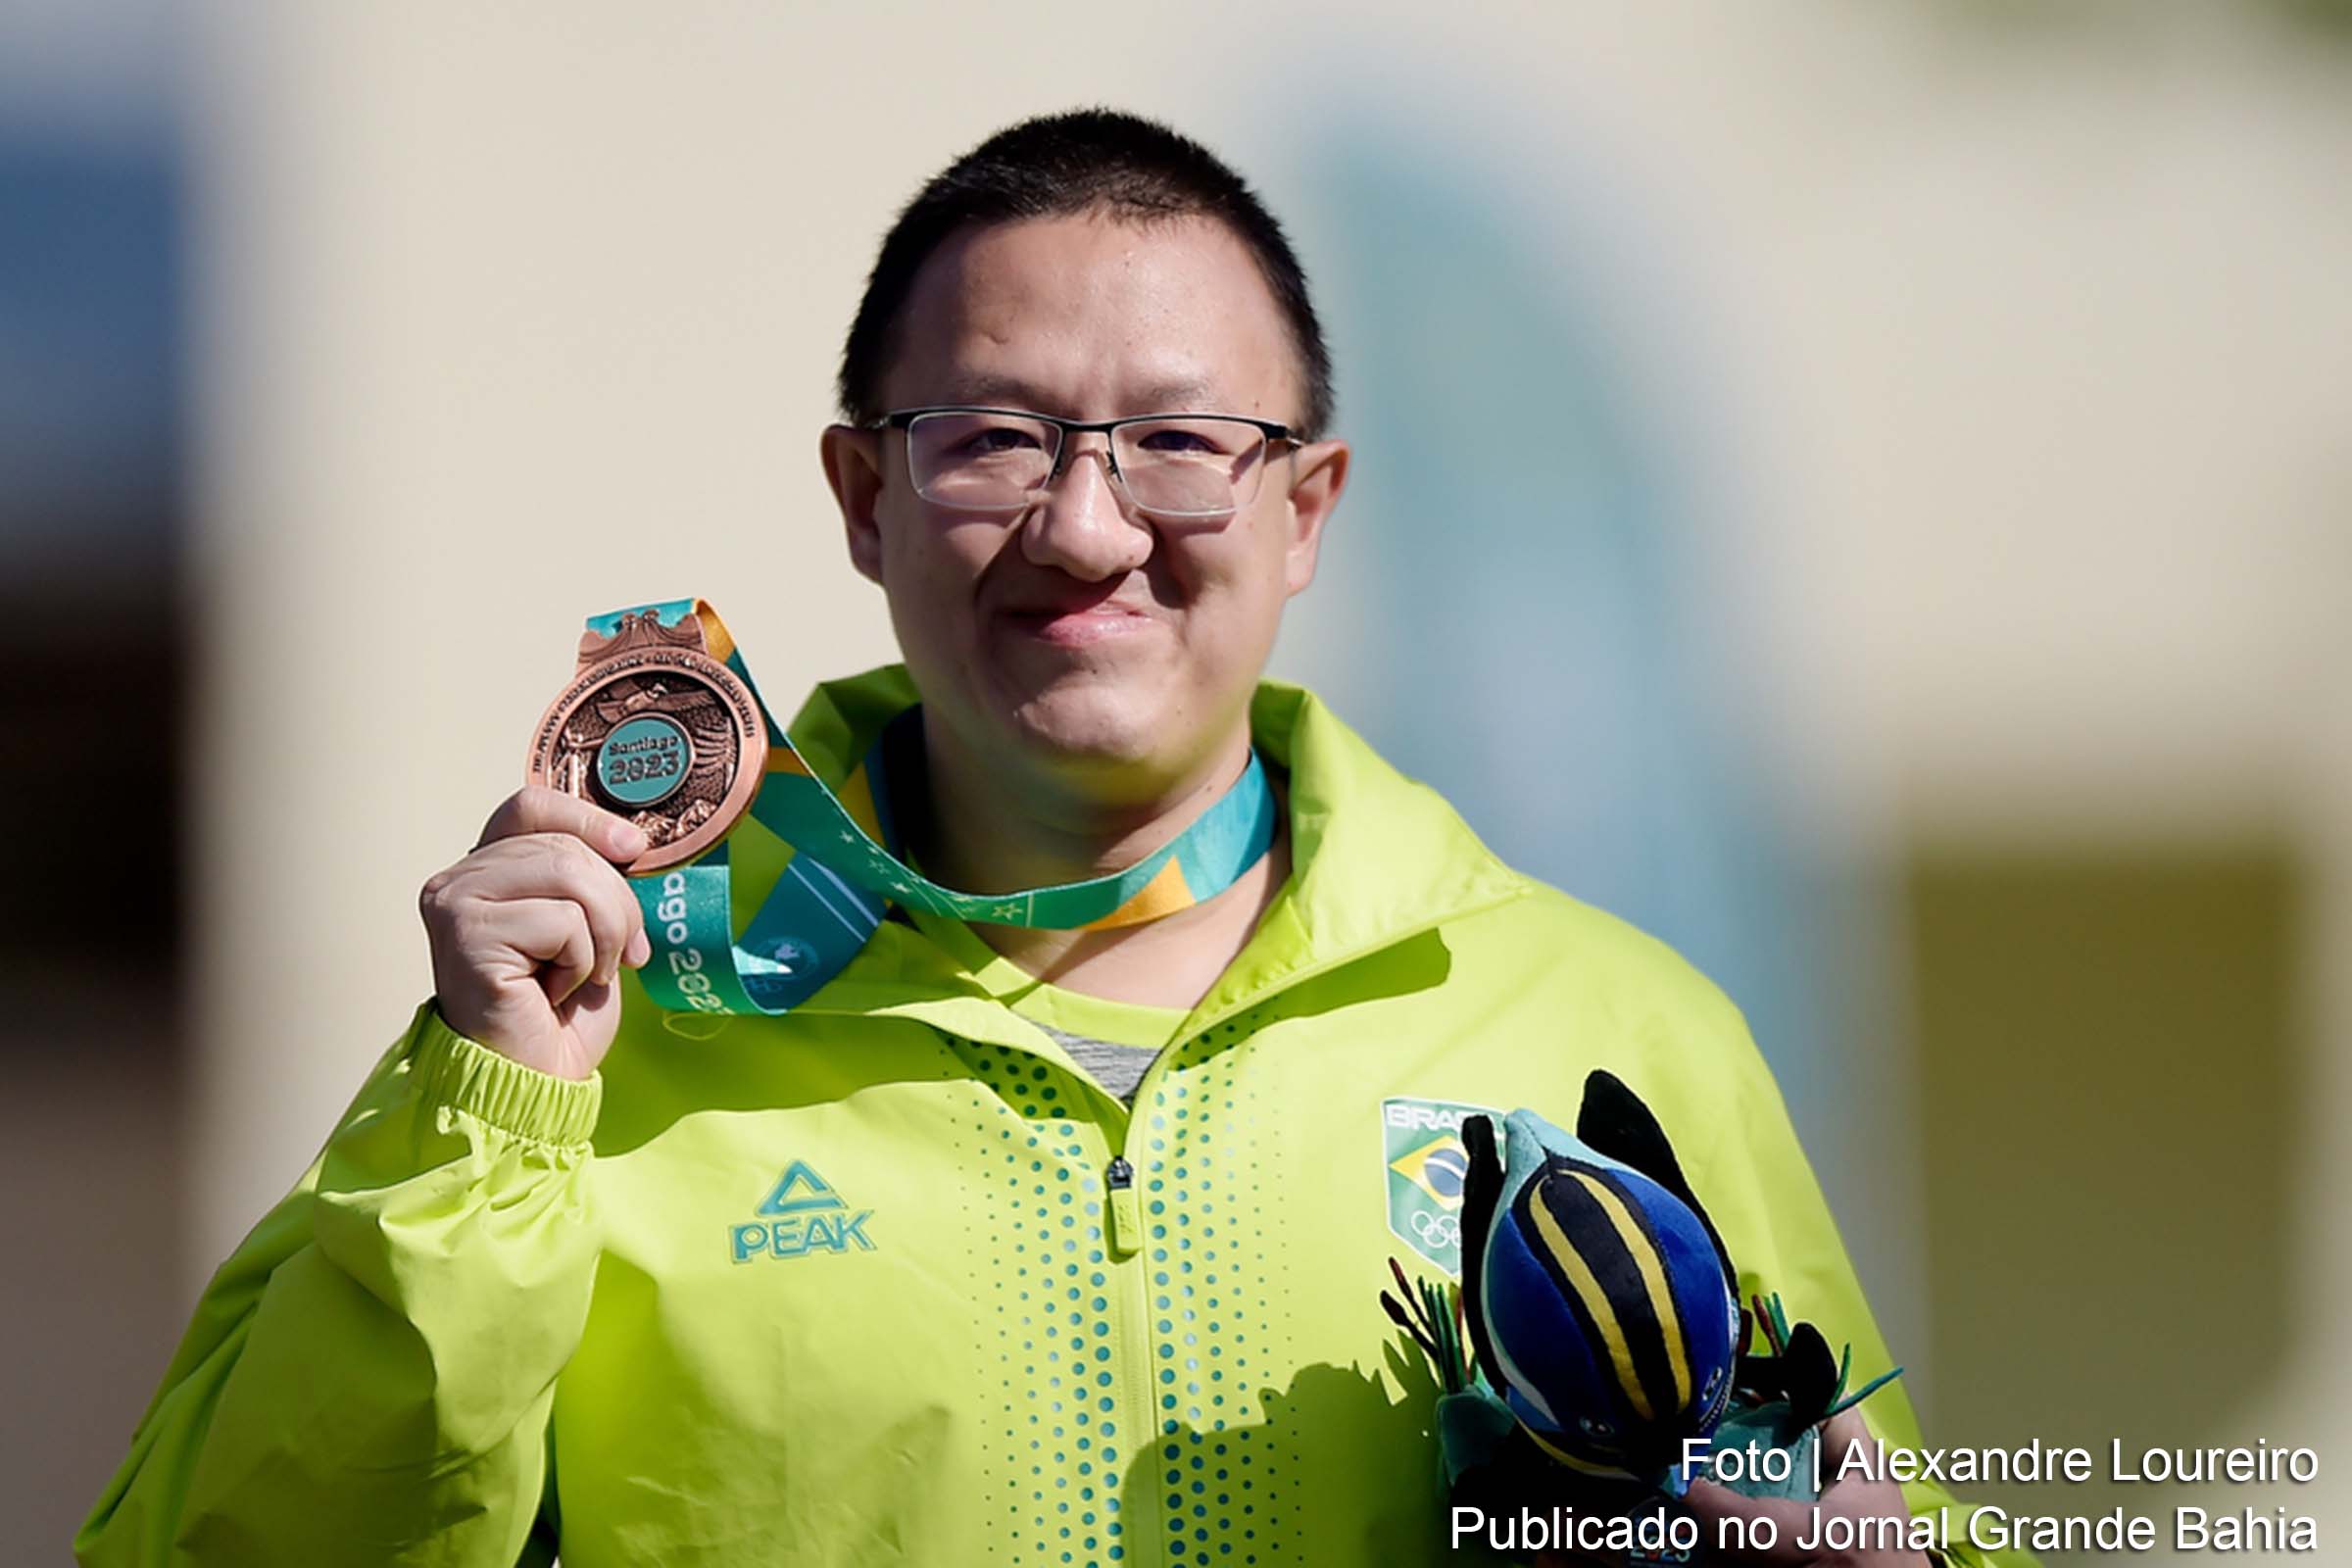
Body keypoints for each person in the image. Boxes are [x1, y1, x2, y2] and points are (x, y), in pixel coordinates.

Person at [78, 109, 2011, 1567]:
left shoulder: (1609, 1027)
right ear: (865, 493)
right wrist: (484, 1131)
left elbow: (1876, 1510)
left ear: (1311, 504)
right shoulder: (579, 1053)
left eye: (1180, 442)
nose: (1090, 531)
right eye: (997, 437)